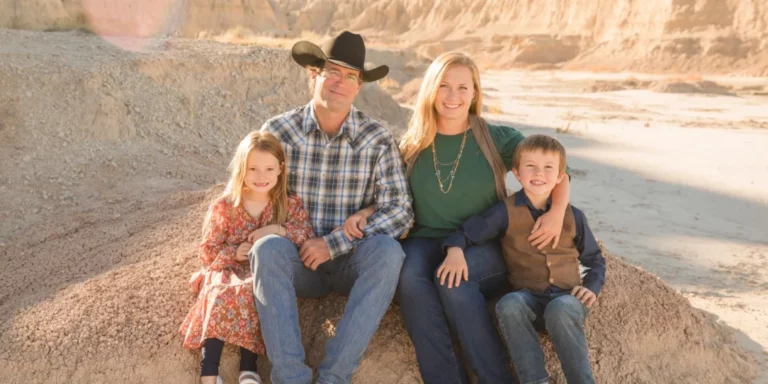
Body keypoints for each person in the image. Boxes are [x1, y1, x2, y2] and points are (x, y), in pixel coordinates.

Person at [396, 52, 572, 384]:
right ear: (430, 90)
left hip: (484, 242)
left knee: (455, 282)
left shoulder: (497, 138)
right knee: (409, 280)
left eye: (463, 87)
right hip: (424, 240)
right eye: (444, 86)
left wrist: (556, 213)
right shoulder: (412, 144)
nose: (453, 96)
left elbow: (558, 173)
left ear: (475, 93)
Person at [250, 30, 413, 384]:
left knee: (388, 253)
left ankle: (334, 378)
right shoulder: (279, 131)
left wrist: (334, 242)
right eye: (333, 72)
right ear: (314, 75)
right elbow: (254, 196)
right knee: (266, 250)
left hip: (349, 262)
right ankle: (290, 378)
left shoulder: (377, 138)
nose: (341, 82)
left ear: (359, 87)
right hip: (297, 262)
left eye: (351, 76)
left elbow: (400, 211)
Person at [441, 134, 606, 384]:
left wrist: (591, 288)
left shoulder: (574, 216)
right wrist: (454, 249)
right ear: (516, 173)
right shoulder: (503, 211)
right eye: (531, 166)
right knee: (509, 304)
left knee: (561, 309)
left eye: (548, 168)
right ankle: (535, 380)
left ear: (561, 177)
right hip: (528, 298)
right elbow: (468, 232)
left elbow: (594, 260)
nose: (539, 173)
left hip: (567, 298)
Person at [180, 131, 315, 384]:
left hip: (264, 270)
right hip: (228, 268)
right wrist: (235, 252)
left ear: (280, 169)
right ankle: (209, 371)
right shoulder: (225, 206)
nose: (261, 176)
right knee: (220, 290)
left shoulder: (288, 204)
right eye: (253, 168)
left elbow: (305, 233)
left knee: (255, 290)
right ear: (242, 168)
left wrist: (275, 229)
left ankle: (248, 370)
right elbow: (207, 251)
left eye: (268, 168)